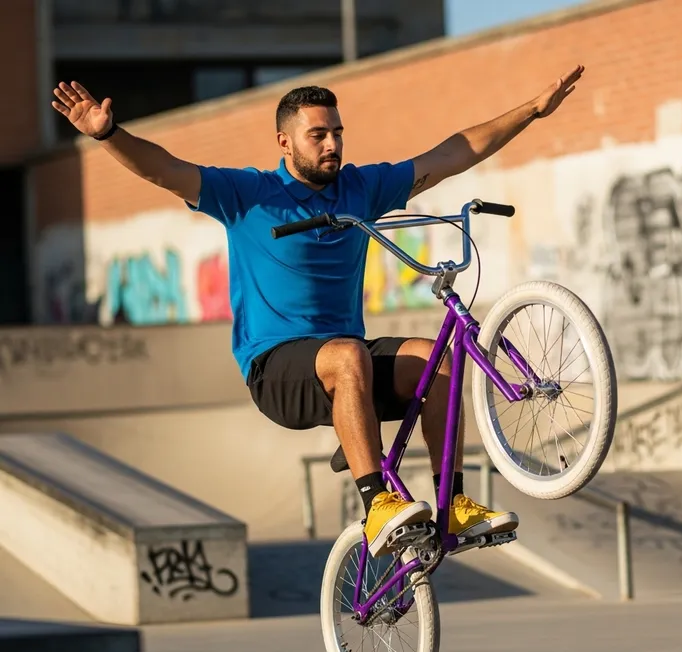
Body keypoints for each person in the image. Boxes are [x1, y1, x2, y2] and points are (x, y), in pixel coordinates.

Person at [52, 64, 584, 558]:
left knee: (434, 357)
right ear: (284, 142)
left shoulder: (361, 187)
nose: (333, 145)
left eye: (338, 133)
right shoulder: (246, 194)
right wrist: (106, 134)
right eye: (318, 136)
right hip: (276, 368)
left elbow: (452, 154)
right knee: (348, 354)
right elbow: (164, 170)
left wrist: (531, 111)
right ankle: (378, 505)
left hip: (343, 361)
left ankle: (453, 508)